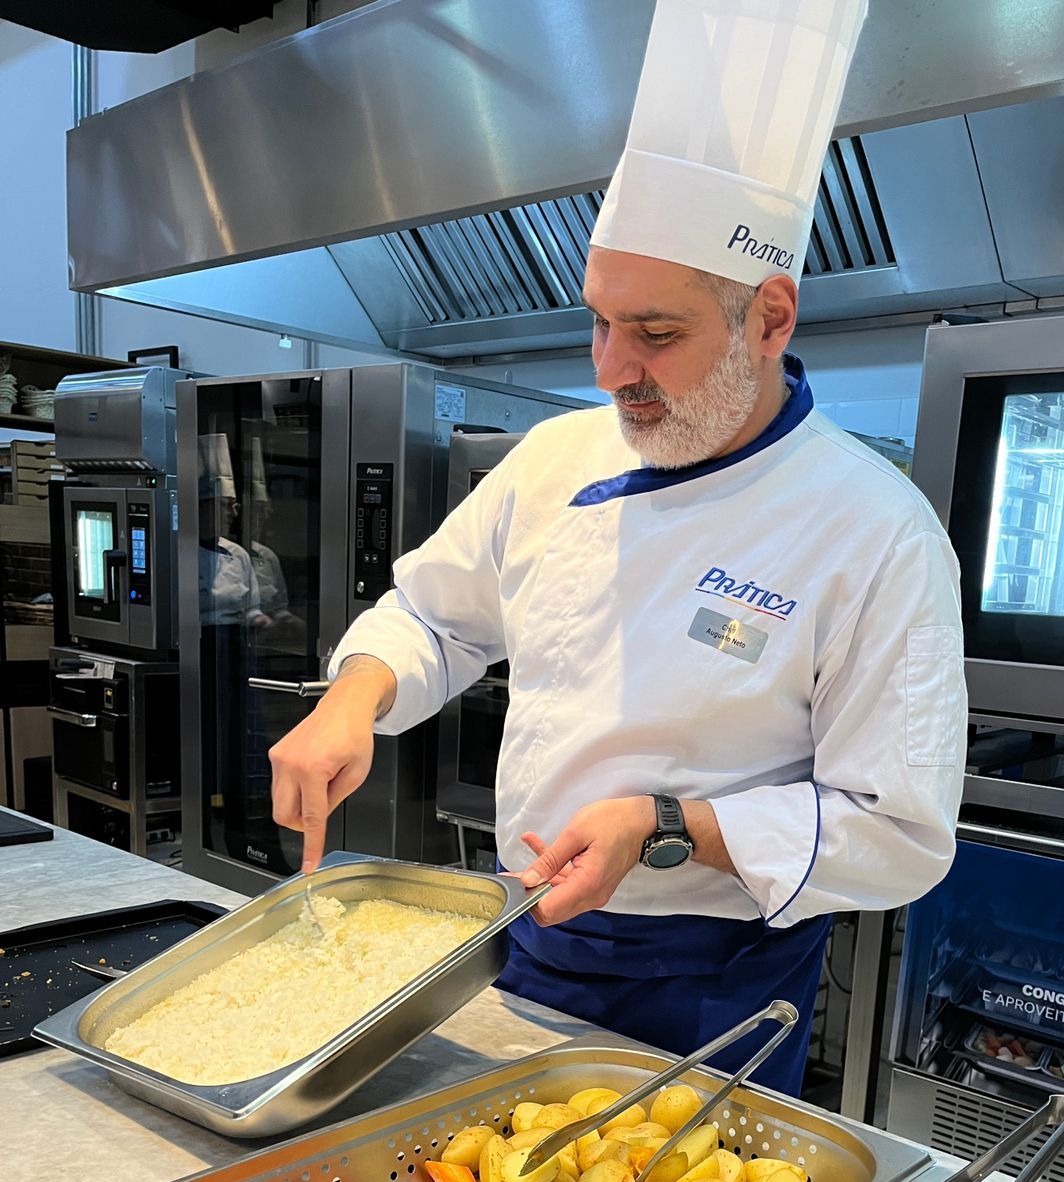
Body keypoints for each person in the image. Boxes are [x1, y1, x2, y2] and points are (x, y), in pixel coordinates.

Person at [268, 0, 968, 1095]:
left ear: (771, 318)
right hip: (519, 938)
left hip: (718, 986)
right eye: (598, 321)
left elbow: (902, 833)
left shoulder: (875, 532)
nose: (609, 368)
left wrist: (670, 828)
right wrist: (350, 699)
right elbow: (432, 614)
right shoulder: (557, 460)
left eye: (655, 334)